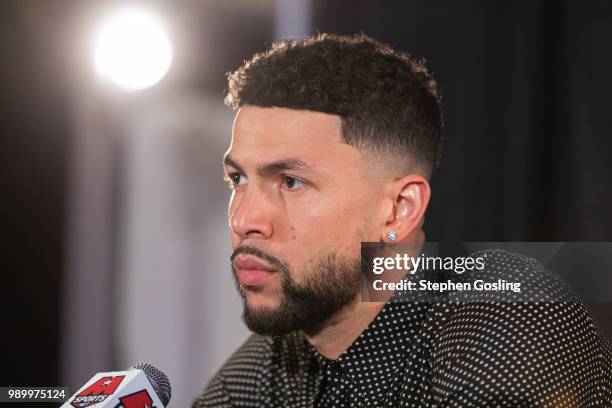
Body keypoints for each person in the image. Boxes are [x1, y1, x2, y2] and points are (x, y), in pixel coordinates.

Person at [192, 33, 612, 407]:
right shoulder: (268, 367)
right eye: (237, 178)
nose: (245, 218)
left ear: (398, 209)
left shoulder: (510, 316)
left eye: (290, 181)